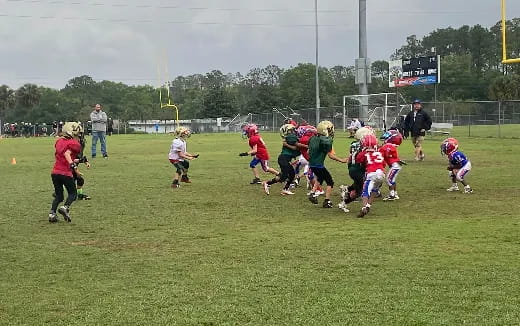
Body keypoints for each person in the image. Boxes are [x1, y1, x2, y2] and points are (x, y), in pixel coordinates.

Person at [307, 121, 348, 208]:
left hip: (312, 164)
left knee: (320, 178)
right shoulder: (326, 141)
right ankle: (327, 201)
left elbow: (308, 151)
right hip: (319, 165)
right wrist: (342, 160)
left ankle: (312, 193)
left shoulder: (312, 138)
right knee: (330, 182)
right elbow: (331, 155)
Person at [48, 122, 83, 223]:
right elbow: (67, 154)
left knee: (59, 196)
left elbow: (64, 155)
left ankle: (52, 214)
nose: (78, 136)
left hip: (55, 172)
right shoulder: (74, 144)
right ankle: (65, 207)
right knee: (73, 193)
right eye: (77, 134)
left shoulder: (59, 141)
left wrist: (80, 160)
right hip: (65, 173)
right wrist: (74, 167)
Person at [262, 123, 302, 196]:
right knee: (284, 176)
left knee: (292, 174)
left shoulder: (289, 138)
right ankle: (267, 183)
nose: (293, 131)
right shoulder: (290, 137)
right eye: (291, 130)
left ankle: (285, 189)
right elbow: (296, 148)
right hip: (284, 159)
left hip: (285, 159)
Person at [356, 134, 386, 218]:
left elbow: (359, 161)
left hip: (371, 174)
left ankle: (364, 207)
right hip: (381, 174)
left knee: (365, 191)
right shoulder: (379, 152)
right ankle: (368, 206)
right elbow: (383, 164)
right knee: (374, 190)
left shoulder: (363, 153)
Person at [379, 129, 405, 201]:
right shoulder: (390, 146)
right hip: (396, 166)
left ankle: (392, 195)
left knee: (389, 179)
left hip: (395, 166)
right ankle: (395, 193)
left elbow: (383, 154)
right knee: (392, 179)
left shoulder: (388, 146)